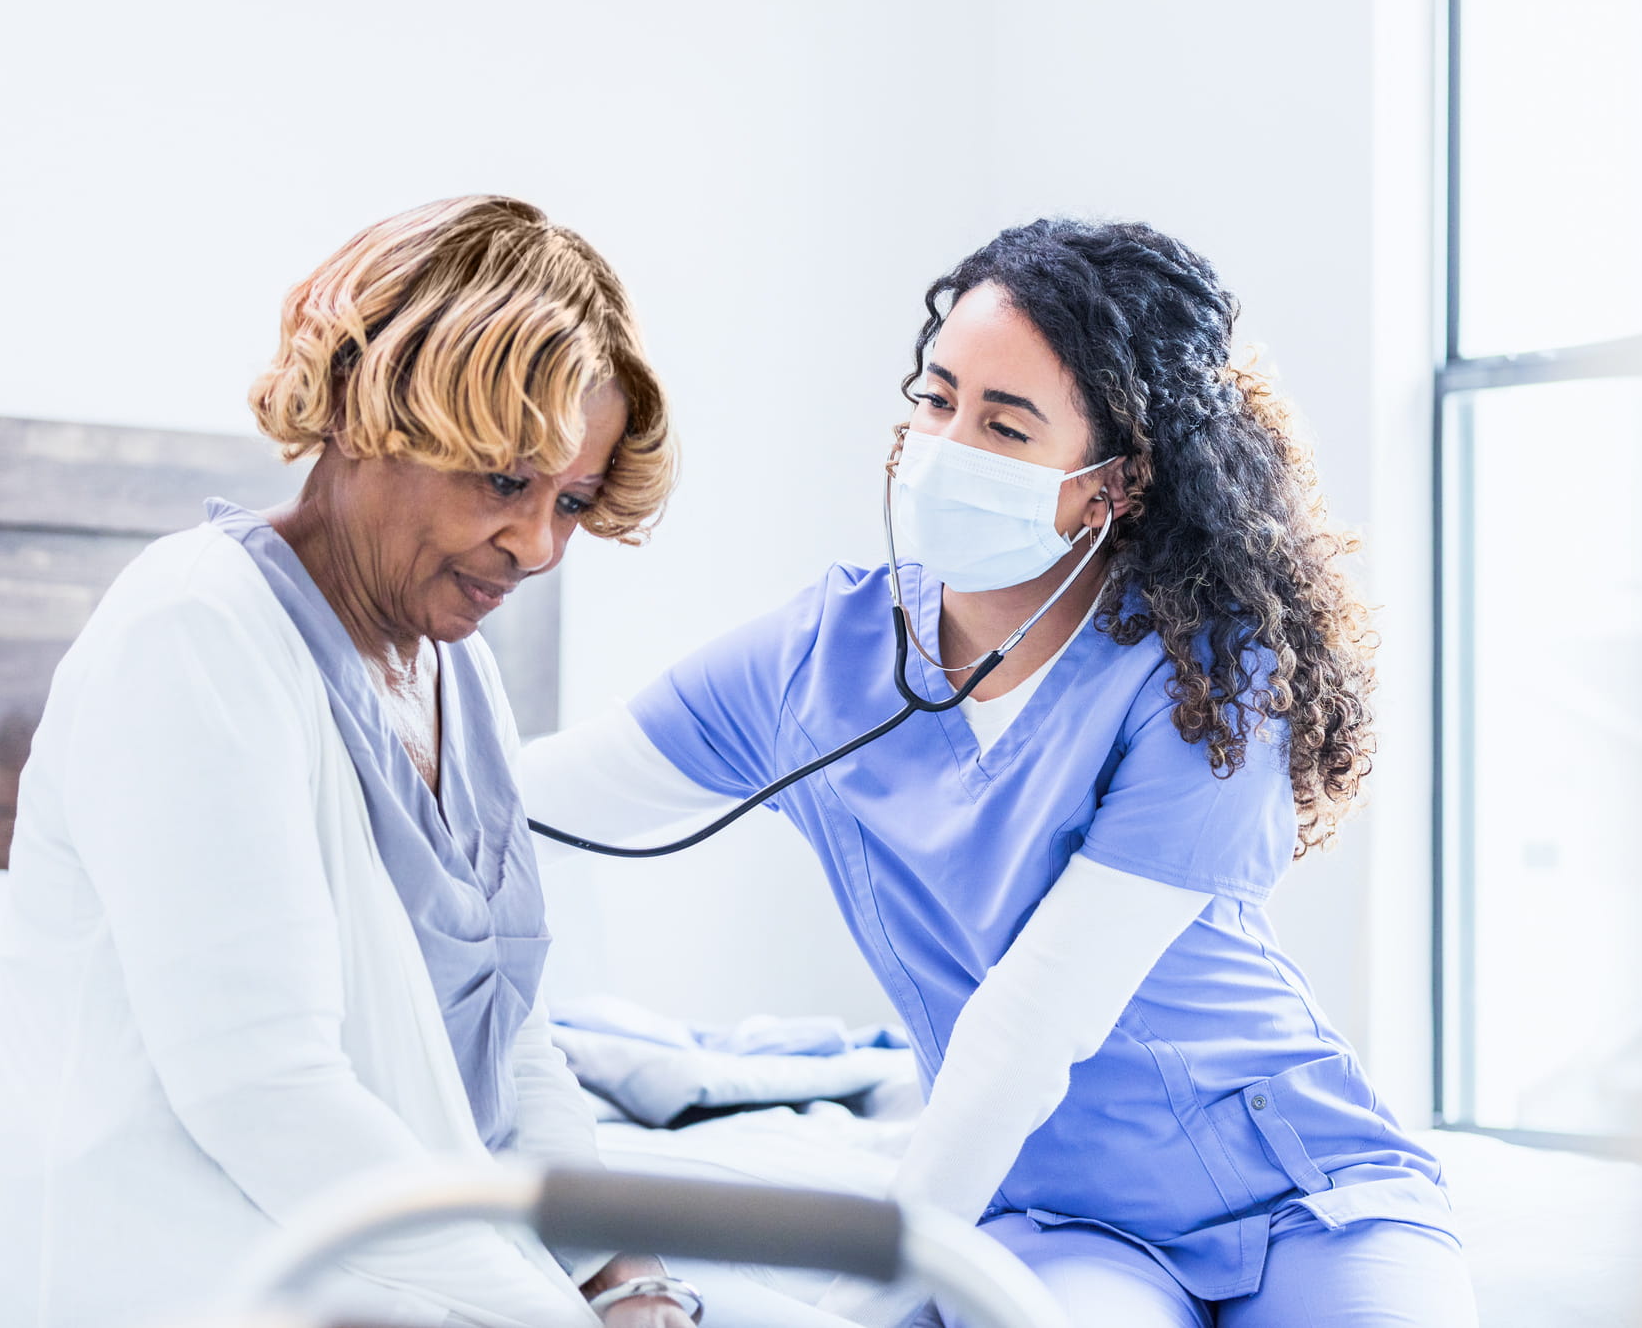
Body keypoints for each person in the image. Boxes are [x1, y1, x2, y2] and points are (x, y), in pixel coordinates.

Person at [520, 219, 1480, 1327]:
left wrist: (866, 1302)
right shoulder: (815, 661)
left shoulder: (1208, 677)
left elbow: (1027, 1032)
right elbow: (514, 800)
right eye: (936, 400)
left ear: (1113, 484)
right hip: (1056, 1220)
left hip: (1301, 1190)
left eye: (1004, 424)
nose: (945, 446)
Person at [0, 196, 699, 1327]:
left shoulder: (454, 662)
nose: (537, 547)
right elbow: (265, 1092)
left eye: (571, 502)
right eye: (504, 481)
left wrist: (623, 1275)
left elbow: (511, 1039)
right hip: (203, 1286)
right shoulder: (194, 632)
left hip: (409, 1271)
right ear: (371, 413)